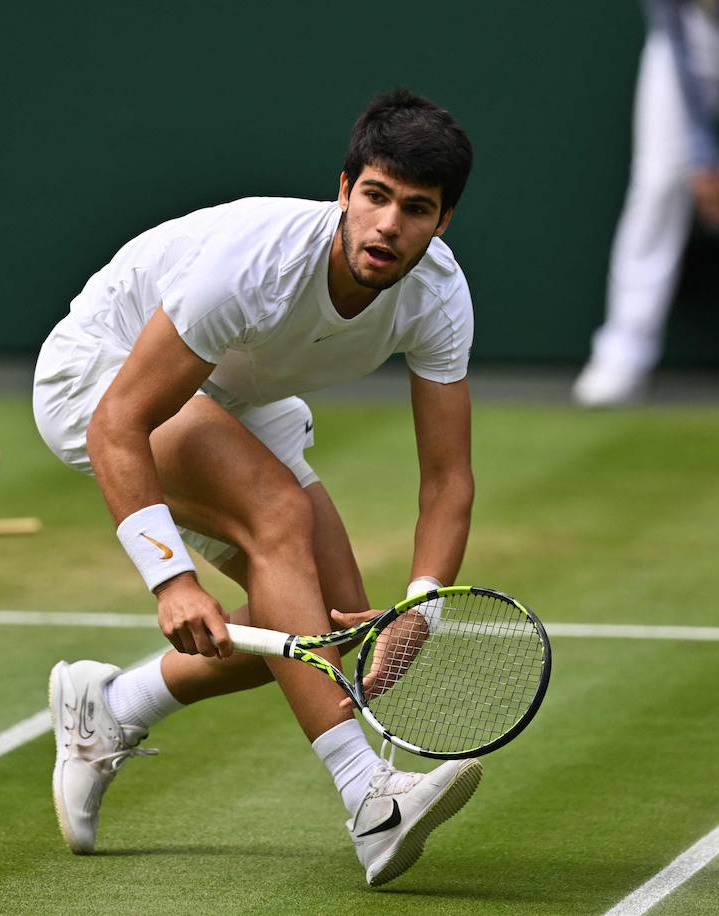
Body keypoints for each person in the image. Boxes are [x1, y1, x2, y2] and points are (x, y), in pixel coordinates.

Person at [32, 88, 480, 887]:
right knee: (276, 513)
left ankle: (112, 709)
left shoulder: (438, 295)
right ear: (343, 190)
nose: (388, 225)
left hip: (235, 391)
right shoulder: (256, 263)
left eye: (416, 209)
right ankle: (369, 798)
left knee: (337, 633)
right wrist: (170, 580)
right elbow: (118, 424)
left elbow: (447, 478)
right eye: (374, 196)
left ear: (441, 223)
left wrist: (422, 602)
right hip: (101, 376)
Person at [574, 0, 719, 407]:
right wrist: (703, 158)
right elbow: (676, 41)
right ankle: (624, 352)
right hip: (692, 41)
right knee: (658, 180)